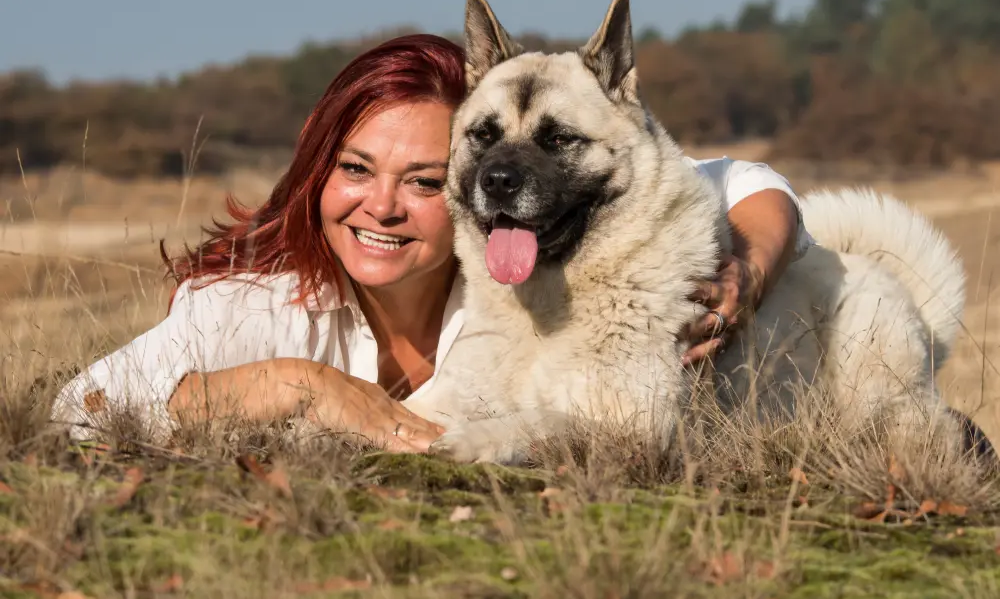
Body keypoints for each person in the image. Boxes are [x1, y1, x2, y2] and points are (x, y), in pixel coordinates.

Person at [51, 33, 814, 454]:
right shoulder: (258, 308)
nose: (380, 206)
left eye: (421, 180)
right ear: (318, 171)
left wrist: (747, 266)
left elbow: (732, 178)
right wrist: (302, 384)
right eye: (354, 169)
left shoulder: (512, 282)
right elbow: (76, 409)